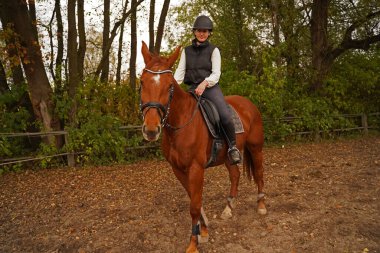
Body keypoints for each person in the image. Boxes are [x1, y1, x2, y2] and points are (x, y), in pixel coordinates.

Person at [174, 15, 241, 164]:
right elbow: (179, 73)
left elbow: (216, 73)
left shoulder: (214, 50)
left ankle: (232, 147)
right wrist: (171, 87)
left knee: (224, 115)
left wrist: (204, 83)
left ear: (209, 32)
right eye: (199, 30)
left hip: (210, 88)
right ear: (194, 32)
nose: (202, 33)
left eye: (205, 31)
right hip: (192, 89)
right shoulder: (186, 51)